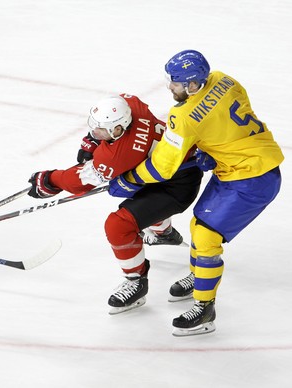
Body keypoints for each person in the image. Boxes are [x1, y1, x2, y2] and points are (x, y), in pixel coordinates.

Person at [110, 50, 284, 336]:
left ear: (192, 85)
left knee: (205, 235)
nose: (170, 88)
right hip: (242, 165)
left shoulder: (184, 115)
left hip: (251, 178)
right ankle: (200, 276)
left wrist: (130, 180)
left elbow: (163, 167)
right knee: (199, 221)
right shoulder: (225, 80)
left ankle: (205, 310)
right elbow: (226, 123)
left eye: (176, 83)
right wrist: (210, 150)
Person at [27, 94, 202, 314]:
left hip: (175, 185)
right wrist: (94, 140)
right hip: (161, 169)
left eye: (103, 130)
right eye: (95, 126)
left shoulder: (118, 156)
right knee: (136, 195)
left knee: (118, 225)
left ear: (119, 129)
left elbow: (81, 181)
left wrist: (50, 181)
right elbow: (121, 100)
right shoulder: (132, 108)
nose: (95, 131)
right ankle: (163, 232)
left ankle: (135, 280)